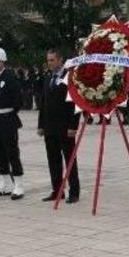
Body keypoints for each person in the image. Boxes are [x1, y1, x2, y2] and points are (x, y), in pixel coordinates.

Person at [38, 49, 80, 203]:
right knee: (53, 160)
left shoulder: (70, 77)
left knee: (70, 160)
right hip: (50, 127)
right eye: (48, 60)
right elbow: (43, 103)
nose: (49, 63)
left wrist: (73, 126)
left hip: (65, 127)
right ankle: (57, 190)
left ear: (60, 60)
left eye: (52, 60)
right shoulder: (48, 77)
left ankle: (74, 192)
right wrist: (41, 125)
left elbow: (76, 102)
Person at [0, 47, 25, 200]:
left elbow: (18, 100)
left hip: (8, 118)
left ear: (2, 61)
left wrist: (9, 113)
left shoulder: (10, 77)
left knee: (12, 152)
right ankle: (4, 182)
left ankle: (18, 184)